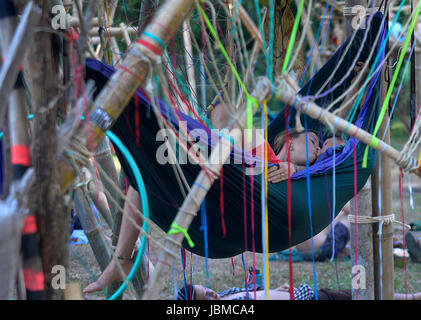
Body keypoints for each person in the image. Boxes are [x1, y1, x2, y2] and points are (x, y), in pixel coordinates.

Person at [176, 282, 421, 301]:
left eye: (207, 289)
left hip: (307, 292)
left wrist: (276, 288)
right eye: (206, 297)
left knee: (358, 294)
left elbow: (258, 293)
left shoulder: (228, 293)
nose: (212, 294)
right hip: (311, 298)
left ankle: (410, 297)